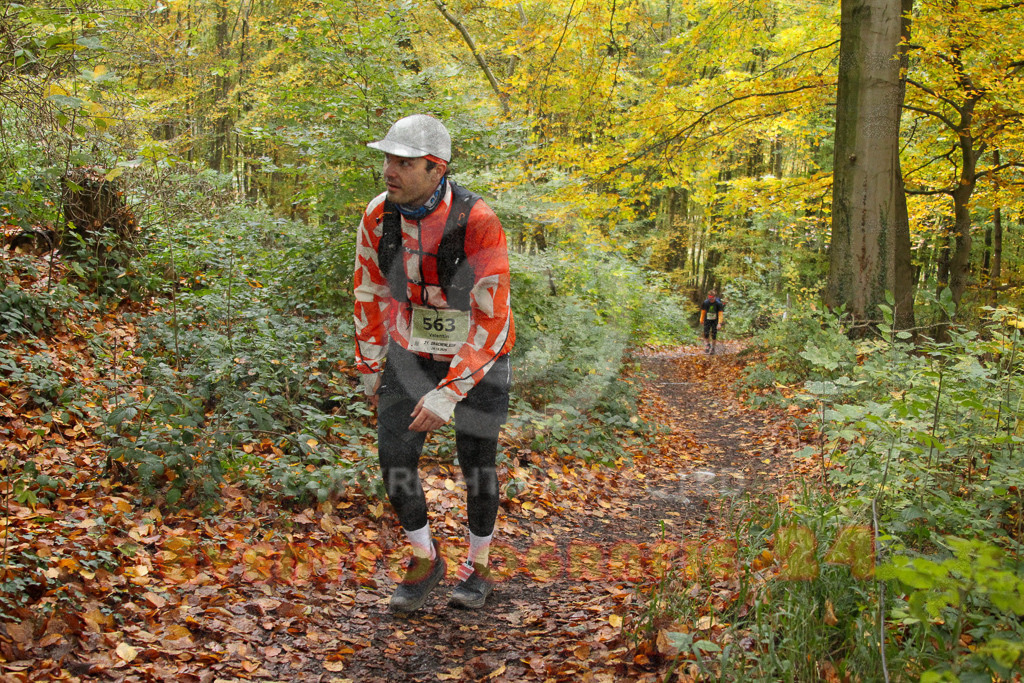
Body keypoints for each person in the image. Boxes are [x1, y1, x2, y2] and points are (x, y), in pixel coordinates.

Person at [353, 114, 515, 613]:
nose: (389, 170)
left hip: (479, 352)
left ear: (436, 167)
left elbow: (493, 316)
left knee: (477, 466)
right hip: (410, 348)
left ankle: (479, 565)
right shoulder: (378, 216)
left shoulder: (479, 221)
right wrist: (369, 360)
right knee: (394, 459)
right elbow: (370, 288)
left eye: (404, 162)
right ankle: (425, 557)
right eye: (387, 159)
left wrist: (450, 392)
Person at [699, 290, 725, 354]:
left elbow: (720, 314)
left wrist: (719, 323)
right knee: (706, 333)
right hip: (707, 319)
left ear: (714, 297)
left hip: (715, 320)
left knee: (714, 334)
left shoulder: (718, 303)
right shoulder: (705, 303)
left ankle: (713, 348)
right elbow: (703, 312)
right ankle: (707, 345)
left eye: (712, 298)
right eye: (709, 298)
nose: (710, 300)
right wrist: (701, 320)